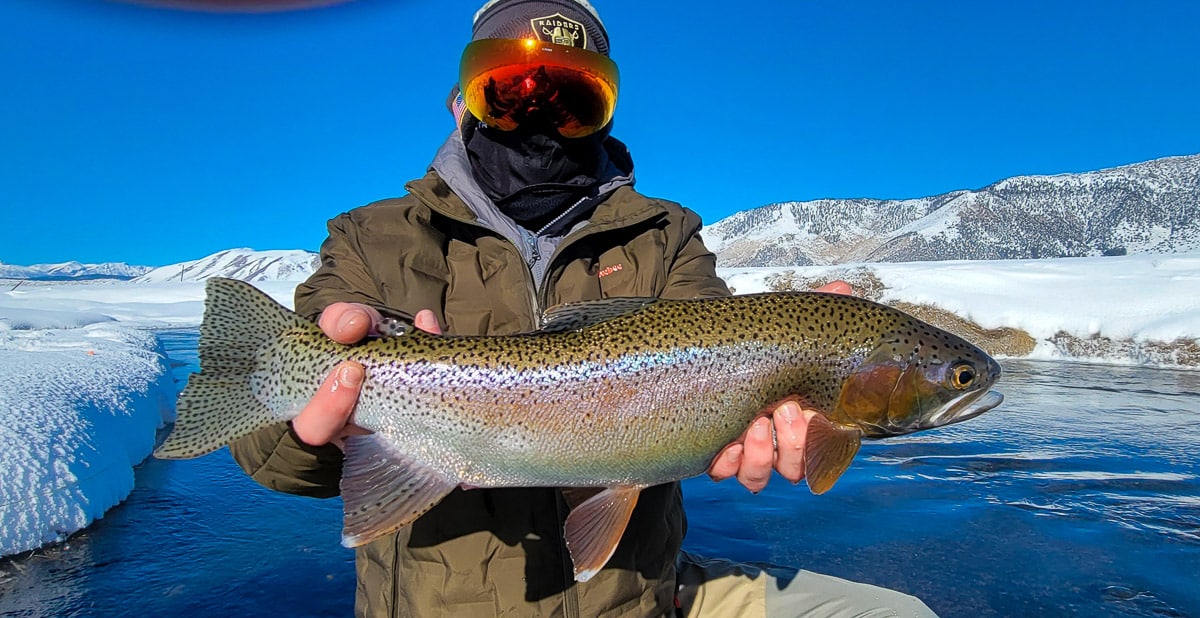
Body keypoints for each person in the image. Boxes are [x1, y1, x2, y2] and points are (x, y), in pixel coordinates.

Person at [229, 1, 938, 616]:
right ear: (460, 101)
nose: (538, 110)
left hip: (635, 597)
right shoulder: (369, 239)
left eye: (573, 96)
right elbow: (270, 461)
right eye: (509, 87)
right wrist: (310, 433)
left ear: (605, 111)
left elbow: (731, 361)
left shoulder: (668, 235)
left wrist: (807, 366)